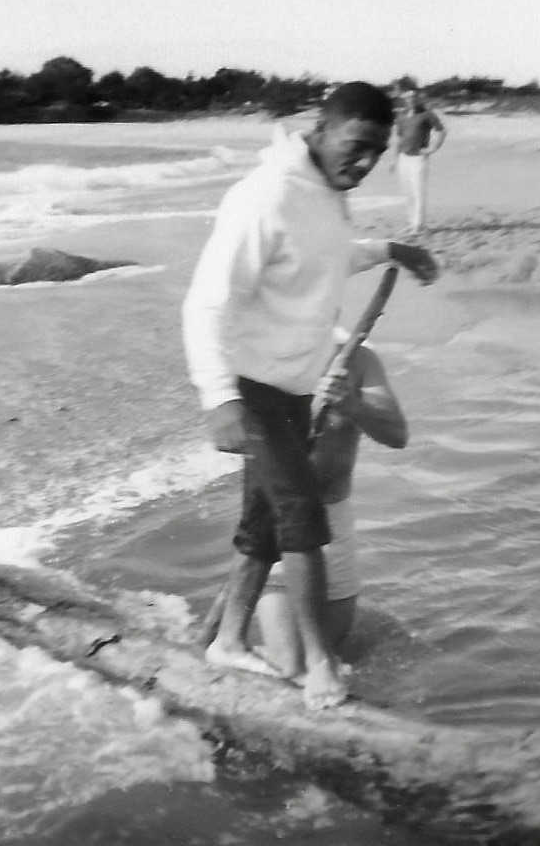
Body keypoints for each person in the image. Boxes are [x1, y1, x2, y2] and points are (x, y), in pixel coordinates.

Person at [181, 81, 438, 710]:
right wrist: (219, 396)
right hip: (254, 383)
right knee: (302, 519)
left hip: (291, 384)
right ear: (320, 130)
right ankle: (322, 667)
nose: (364, 162)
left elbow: (322, 257)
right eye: (355, 146)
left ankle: (228, 642)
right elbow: (208, 301)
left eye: (376, 153)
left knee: (263, 527)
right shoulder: (265, 196)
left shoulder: (323, 194)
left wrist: (388, 250)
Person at [253, 334, 407, 679]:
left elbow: (398, 435)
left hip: (336, 523)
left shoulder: (359, 361)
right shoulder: (263, 355)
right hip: (281, 523)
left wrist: (352, 405)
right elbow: (234, 438)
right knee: (290, 667)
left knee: (329, 663)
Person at [393, 88, 447, 233]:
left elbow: (442, 130)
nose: (411, 100)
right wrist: (395, 159)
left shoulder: (427, 115)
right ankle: (411, 222)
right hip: (404, 158)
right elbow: (399, 138)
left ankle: (419, 225)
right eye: (408, 98)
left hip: (418, 158)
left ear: (419, 99)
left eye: (414, 97)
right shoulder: (402, 116)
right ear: (405, 100)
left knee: (418, 192)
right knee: (407, 192)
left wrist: (433, 149)